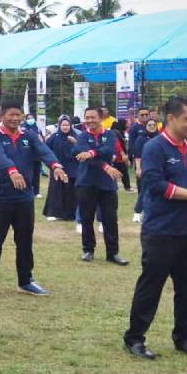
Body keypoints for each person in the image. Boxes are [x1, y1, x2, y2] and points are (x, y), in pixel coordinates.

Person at [124, 97, 187, 360]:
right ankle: (134, 338)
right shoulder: (154, 147)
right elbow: (154, 184)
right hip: (161, 230)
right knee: (151, 286)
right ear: (171, 119)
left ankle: (184, 337)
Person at [0, 100, 68, 298]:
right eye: (10, 114)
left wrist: (55, 165)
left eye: (17, 115)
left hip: (24, 199)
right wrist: (12, 170)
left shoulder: (28, 136)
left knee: (25, 240)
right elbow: (0, 157)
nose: (14, 118)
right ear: (2, 115)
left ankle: (26, 280)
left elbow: (44, 151)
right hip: (0, 197)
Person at [73, 107, 129, 265]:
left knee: (110, 219)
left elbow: (108, 150)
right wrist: (105, 166)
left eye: (93, 117)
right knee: (87, 218)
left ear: (101, 118)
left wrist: (91, 153)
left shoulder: (110, 134)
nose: (90, 121)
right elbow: (79, 152)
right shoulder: (83, 136)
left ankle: (113, 253)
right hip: (86, 183)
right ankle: (88, 250)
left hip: (107, 185)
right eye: (87, 118)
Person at [42, 117, 79, 221]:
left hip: (72, 169)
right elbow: (45, 150)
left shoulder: (75, 136)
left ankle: (71, 214)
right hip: (58, 168)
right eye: (63, 125)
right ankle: (53, 213)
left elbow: (82, 150)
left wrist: (75, 142)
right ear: (59, 126)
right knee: (56, 191)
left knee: (71, 192)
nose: (65, 127)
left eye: (67, 125)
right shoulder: (54, 137)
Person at [129, 118, 160, 222]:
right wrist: (138, 168)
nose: (151, 127)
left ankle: (151, 214)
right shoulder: (141, 139)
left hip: (159, 168)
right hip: (145, 168)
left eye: (153, 125)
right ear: (145, 126)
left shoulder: (159, 137)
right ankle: (137, 213)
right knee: (144, 191)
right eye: (149, 125)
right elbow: (137, 155)